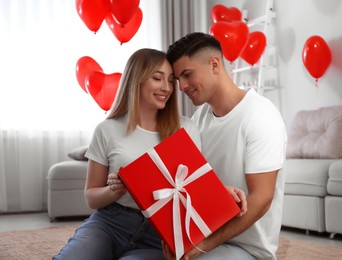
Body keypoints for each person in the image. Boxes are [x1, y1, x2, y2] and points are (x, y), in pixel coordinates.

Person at [53, 48, 246, 260]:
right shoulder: (106, 130)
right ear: (136, 80)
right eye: (157, 78)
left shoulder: (186, 128)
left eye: (171, 81)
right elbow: (91, 197)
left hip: (160, 233)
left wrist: (222, 193)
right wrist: (113, 191)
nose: (167, 88)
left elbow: (192, 187)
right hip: (110, 223)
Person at [165, 32, 287, 260]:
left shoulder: (261, 115)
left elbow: (261, 198)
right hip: (205, 233)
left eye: (187, 75)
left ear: (214, 64)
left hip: (247, 248)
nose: (181, 87)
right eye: (177, 80)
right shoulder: (199, 119)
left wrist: (204, 245)